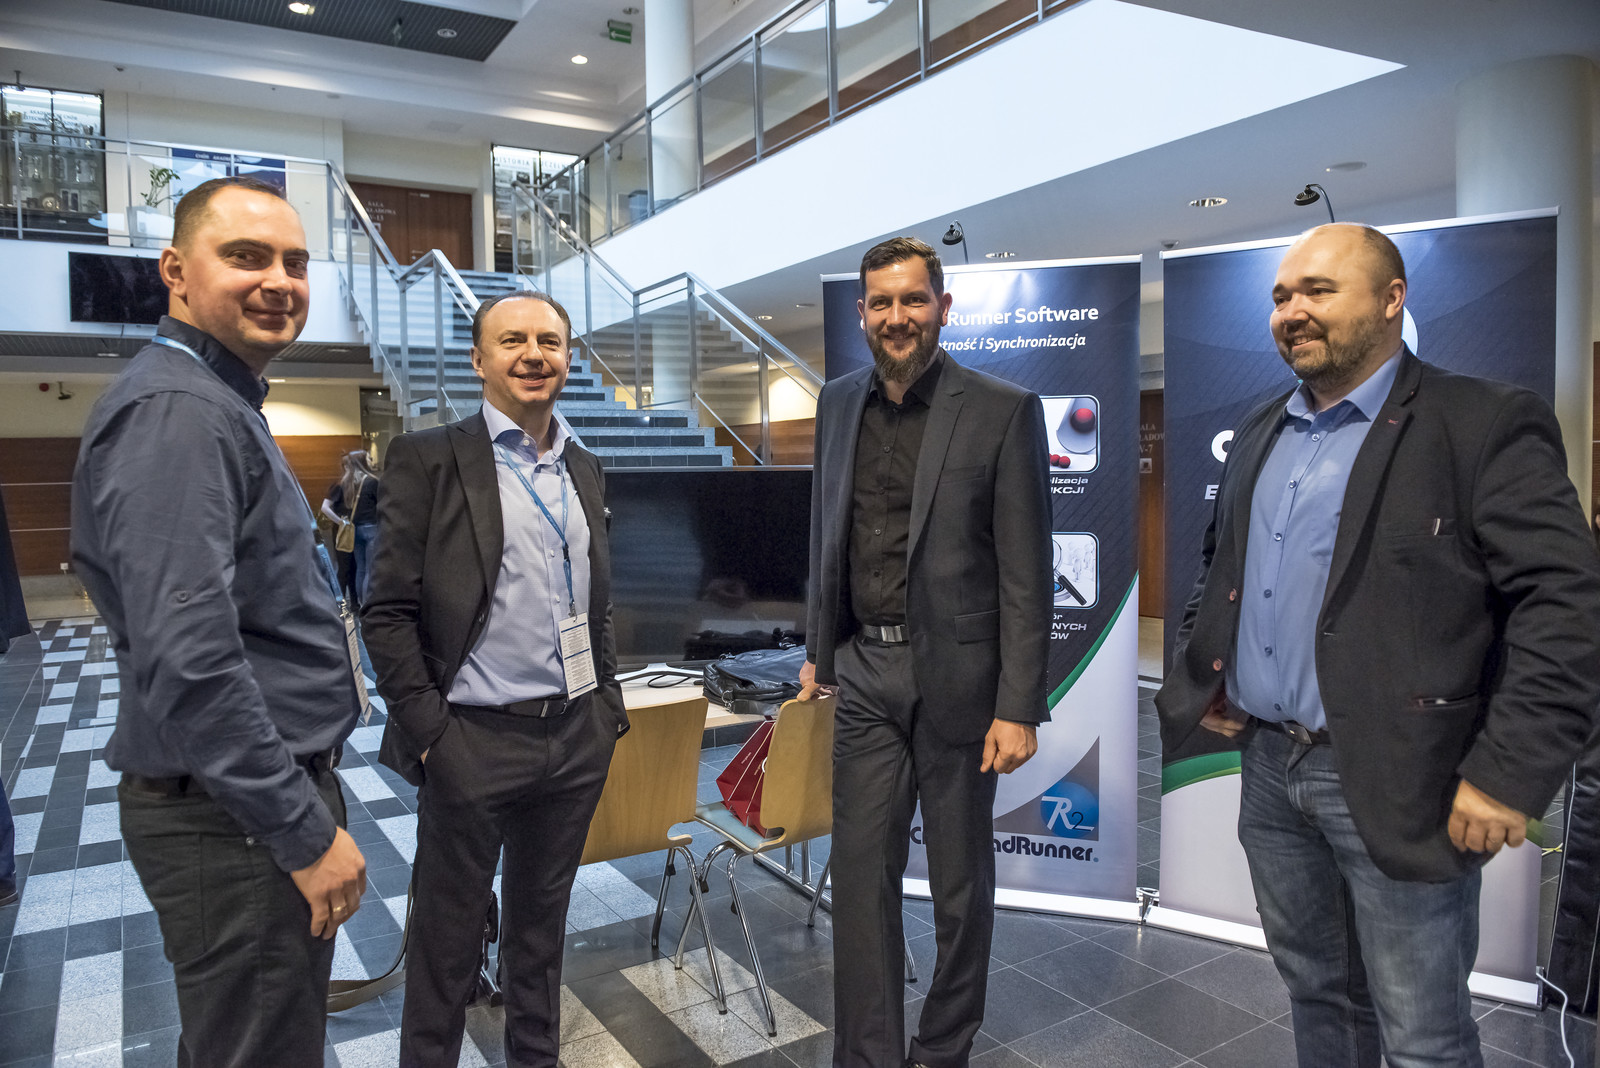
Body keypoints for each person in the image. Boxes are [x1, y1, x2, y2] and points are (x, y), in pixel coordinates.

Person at [1156, 223, 1600, 1066]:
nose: (1292, 311)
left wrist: (1508, 773)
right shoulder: (1262, 428)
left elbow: (1564, 606)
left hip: (1408, 777)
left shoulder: (1482, 422)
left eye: (1318, 291)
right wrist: (1205, 667)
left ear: (1392, 299)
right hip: (1270, 767)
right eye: (1281, 296)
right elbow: (1221, 565)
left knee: (1422, 1034)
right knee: (1318, 993)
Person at [70, 176, 368, 1065]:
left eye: (295, 263)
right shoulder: (180, 411)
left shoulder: (215, 400)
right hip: (235, 818)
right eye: (246, 257)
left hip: (238, 804)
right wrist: (300, 830)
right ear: (175, 271)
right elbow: (191, 656)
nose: (279, 281)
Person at [798, 237, 1052, 1068]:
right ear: (862, 313)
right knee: (859, 878)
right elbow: (824, 532)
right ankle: (868, 1056)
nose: (897, 316)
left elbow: (1026, 571)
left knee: (959, 889)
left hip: (963, 682)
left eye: (913, 300)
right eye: (881, 302)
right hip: (865, 671)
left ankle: (942, 1048)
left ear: (942, 307)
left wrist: (1019, 705)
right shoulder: (837, 402)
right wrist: (818, 650)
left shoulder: (1002, 409)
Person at [363, 290, 628, 1068]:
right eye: (512, 341)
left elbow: (595, 602)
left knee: (539, 944)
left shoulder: (584, 465)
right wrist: (432, 736)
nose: (533, 354)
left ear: (568, 358)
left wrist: (605, 706)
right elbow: (386, 613)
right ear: (479, 360)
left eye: (549, 340)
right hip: (470, 742)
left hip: (573, 740)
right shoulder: (429, 459)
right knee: (446, 954)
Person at [320, 449, 380, 604]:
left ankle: (358, 602)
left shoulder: (345, 483)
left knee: (359, 568)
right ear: (363, 462)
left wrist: (341, 522)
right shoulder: (372, 481)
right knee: (369, 569)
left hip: (354, 530)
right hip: (370, 528)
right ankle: (366, 603)